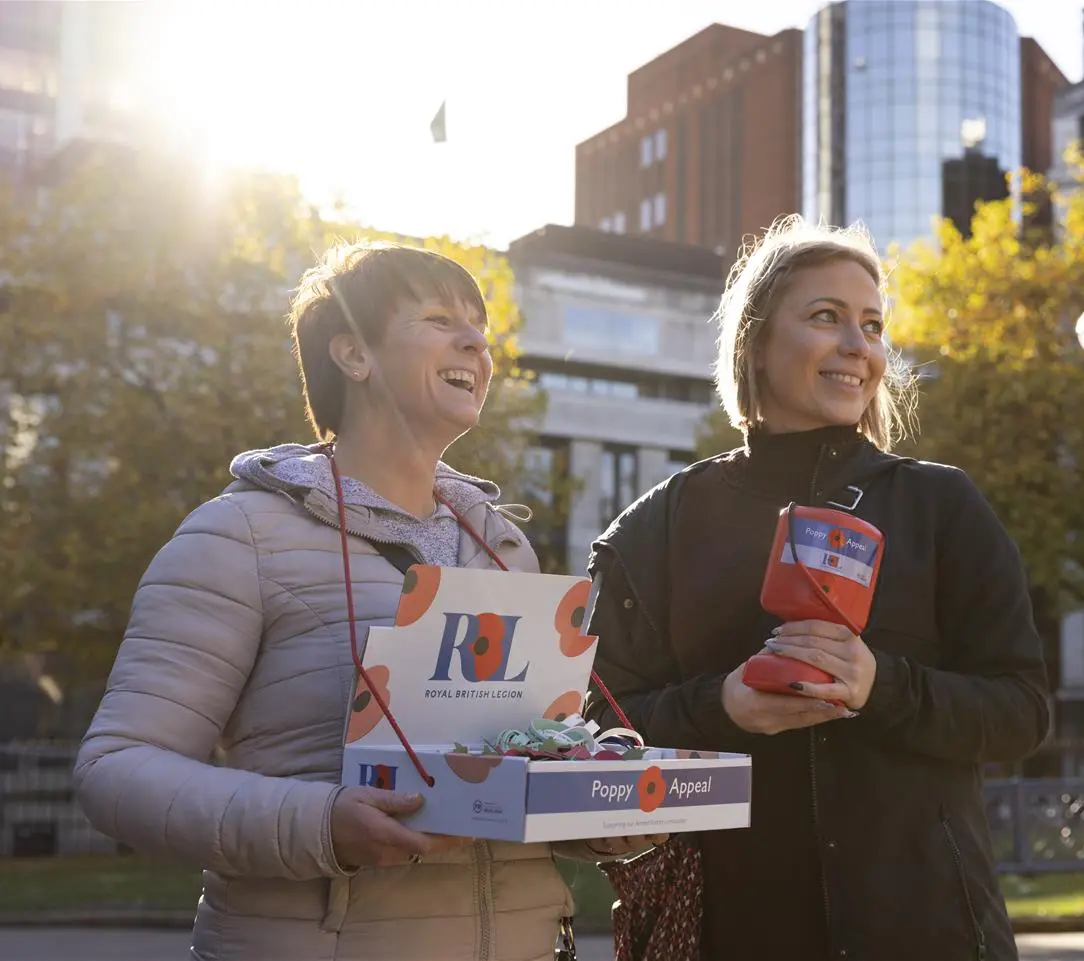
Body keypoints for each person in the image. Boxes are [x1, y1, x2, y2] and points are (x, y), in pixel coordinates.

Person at [74, 241, 660, 961]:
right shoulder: (238, 536)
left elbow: (502, 778)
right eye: (441, 319)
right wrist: (324, 823)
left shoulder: (504, 546)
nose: (476, 342)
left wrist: (596, 819)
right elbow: (116, 768)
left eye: (480, 327)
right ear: (353, 354)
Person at [584, 216, 1051, 961]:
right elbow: (597, 725)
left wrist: (880, 685)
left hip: (928, 932)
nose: (859, 347)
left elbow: (1022, 710)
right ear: (756, 343)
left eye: (872, 325)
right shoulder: (661, 522)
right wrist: (723, 705)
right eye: (826, 317)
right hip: (732, 931)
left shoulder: (940, 506)